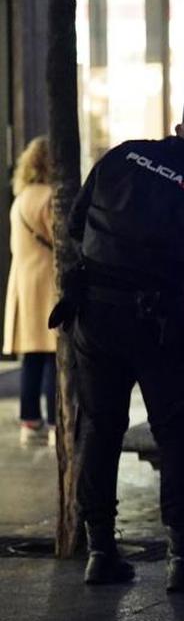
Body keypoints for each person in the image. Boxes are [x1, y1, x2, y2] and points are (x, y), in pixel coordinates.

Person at [52, 96, 184, 591]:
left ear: (176, 127)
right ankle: (179, 562)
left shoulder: (123, 155)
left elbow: (74, 225)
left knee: (100, 429)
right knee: (175, 434)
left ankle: (100, 551)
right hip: (161, 325)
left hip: (95, 317)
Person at [3, 136, 58, 444]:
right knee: (52, 353)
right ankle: (54, 422)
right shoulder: (50, 197)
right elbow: (58, 240)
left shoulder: (20, 198)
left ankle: (29, 420)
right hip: (46, 283)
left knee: (32, 357)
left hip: (23, 284)